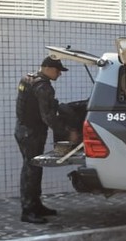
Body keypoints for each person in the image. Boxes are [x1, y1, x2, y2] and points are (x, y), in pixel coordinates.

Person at [15, 56, 79, 224]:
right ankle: (28, 210)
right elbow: (48, 117)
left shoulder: (28, 79)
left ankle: (36, 205)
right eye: (58, 70)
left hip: (24, 130)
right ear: (48, 68)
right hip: (32, 133)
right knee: (31, 170)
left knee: (34, 169)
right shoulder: (43, 87)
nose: (59, 74)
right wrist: (68, 132)